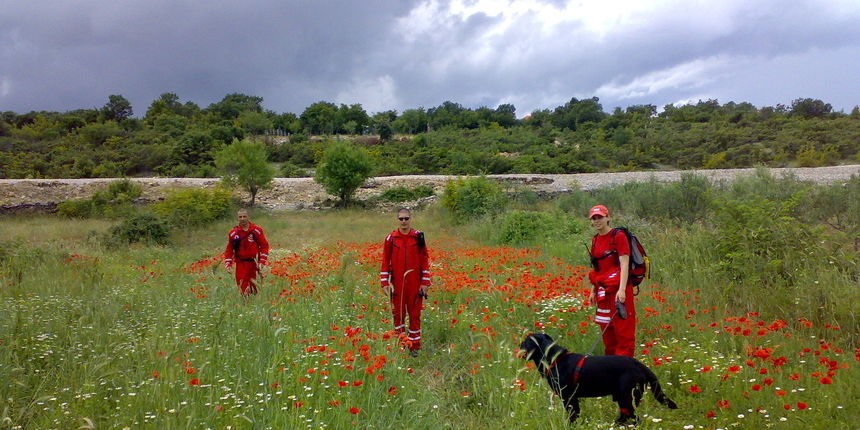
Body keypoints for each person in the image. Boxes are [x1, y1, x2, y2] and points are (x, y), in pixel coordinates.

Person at [380, 208, 431, 357]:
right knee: (398, 315)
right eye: (401, 219)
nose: (404, 221)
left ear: (410, 219)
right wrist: (384, 282)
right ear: (397, 220)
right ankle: (401, 345)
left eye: (406, 218)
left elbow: (424, 260)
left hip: (415, 284)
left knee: (415, 316)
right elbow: (384, 261)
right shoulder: (391, 238)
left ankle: (414, 346)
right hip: (397, 285)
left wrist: (425, 282)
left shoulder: (418, 237)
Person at [587, 205, 636, 357]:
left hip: (619, 290)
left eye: (600, 217)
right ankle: (611, 368)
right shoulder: (595, 240)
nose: (597, 221)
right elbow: (597, 268)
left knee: (623, 332)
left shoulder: (618, 236)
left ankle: (625, 370)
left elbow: (624, 263)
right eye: (594, 218)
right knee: (607, 333)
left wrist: (622, 290)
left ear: (608, 218)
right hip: (603, 291)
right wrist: (593, 290)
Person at [224, 208, 270, 297]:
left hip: (254, 264)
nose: (242, 219)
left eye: (244, 216)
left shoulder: (257, 231)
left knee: (255, 288)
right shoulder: (233, 233)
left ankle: (255, 304)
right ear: (237, 218)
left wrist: (262, 262)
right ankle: (246, 306)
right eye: (240, 217)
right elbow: (229, 250)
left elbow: (264, 246)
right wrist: (228, 264)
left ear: (248, 217)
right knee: (243, 289)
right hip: (241, 264)